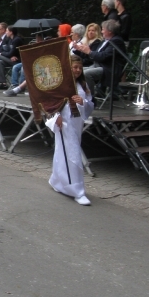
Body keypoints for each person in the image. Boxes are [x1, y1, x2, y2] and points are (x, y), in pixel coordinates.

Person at [45, 55, 94, 206]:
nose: (77, 70)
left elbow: (90, 104)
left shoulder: (84, 85)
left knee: (62, 152)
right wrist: (56, 115)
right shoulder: (60, 83)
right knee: (72, 154)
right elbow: (52, 101)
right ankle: (77, 191)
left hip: (76, 122)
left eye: (80, 67)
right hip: (64, 122)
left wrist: (84, 102)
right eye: (74, 67)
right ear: (68, 68)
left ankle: (57, 180)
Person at [72, 19, 126, 96]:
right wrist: (80, 49)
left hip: (109, 69)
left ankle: (90, 97)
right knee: (74, 70)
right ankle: (78, 94)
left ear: (110, 31)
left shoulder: (116, 41)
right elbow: (94, 56)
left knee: (86, 73)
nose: (101, 31)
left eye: (103, 29)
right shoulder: (105, 41)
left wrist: (89, 52)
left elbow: (103, 56)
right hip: (98, 65)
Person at [0, 25, 23, 90]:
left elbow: (11, 52)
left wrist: (2, 53)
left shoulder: (16, 40)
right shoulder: (10, 40)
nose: (6, 33)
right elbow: (9, 52)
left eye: (7, 31)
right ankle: (3, 84)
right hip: (11, 59)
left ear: (11, 32)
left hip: (17, 61)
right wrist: (10, 55)